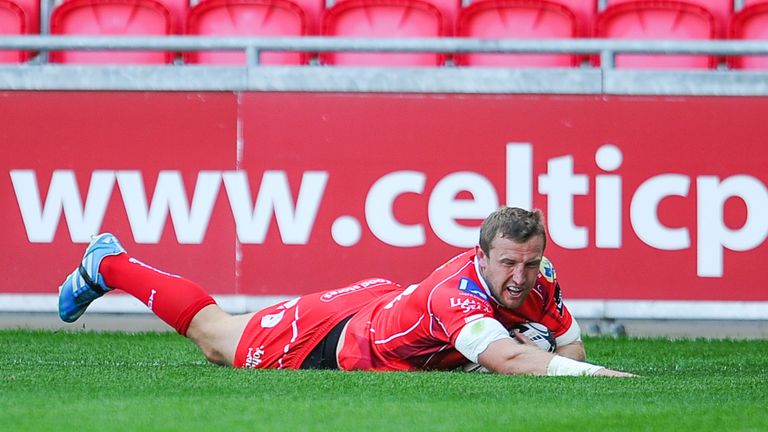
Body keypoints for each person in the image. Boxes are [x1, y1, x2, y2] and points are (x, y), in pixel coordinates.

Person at [58, 207, 634, 377]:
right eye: (509, 263)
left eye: (530, 263)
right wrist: (610, 381)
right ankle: (109, 264)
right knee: (218, 338)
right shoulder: (456, 291)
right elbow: (511, 358)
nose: (521, 276)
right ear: (481, 255)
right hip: (338, 336)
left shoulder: (541, 276)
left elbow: (571, 349)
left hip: (387, 308)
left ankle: (109, 265)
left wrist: (562, 358)